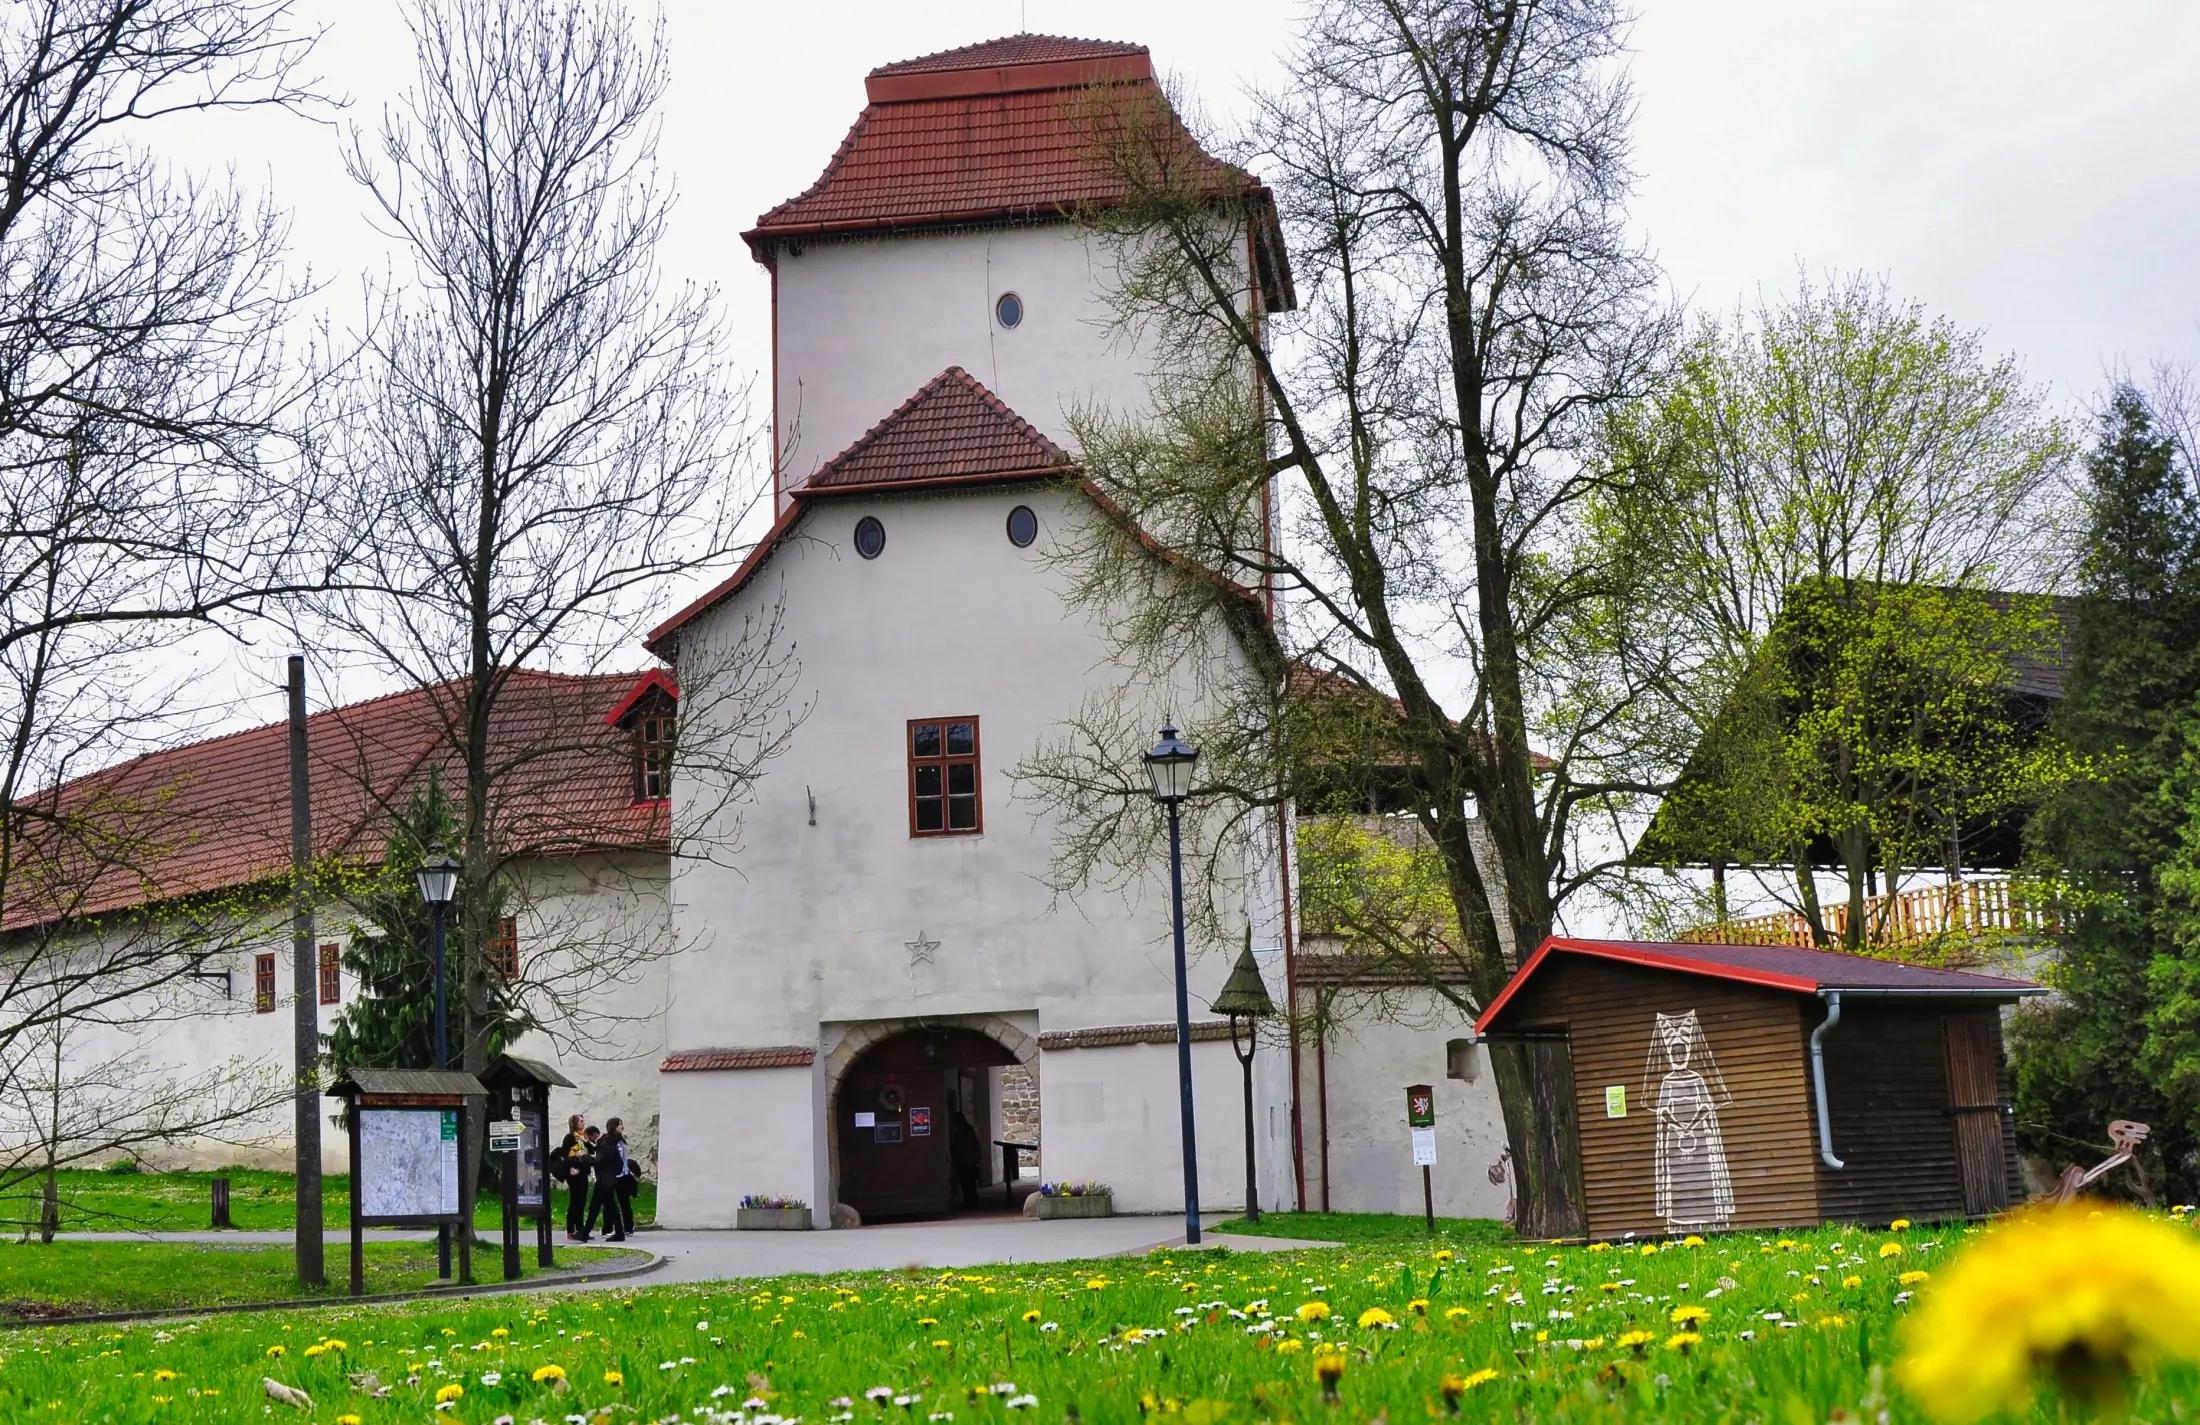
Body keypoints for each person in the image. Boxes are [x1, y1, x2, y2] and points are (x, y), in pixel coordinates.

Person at [584, 1118, 635, 1242]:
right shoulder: (610, 1141)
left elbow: (599, 1161)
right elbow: (604, 1155)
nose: (622, 1127)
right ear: (614, 1127)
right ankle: (586, 1233)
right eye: (620, 1125)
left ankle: (618, 1233)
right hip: (608, 1178)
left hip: (606, 1179)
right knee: (604, 1206)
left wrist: (584, 1157)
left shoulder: (609, 1143)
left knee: (603, 1206)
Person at [556, 1114, 591, 1242]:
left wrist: (588, 1141)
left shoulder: (583, 1137)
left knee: (581, 1202)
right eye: (581, 1121)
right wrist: (570, 1167)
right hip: (574, 1173)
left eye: (583, 1121)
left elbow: (590, 1151)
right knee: (575, 1201)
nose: (583, 1123)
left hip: (583, 1172)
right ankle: (571, 1230)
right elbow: (564, 1155)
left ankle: (580, 1230)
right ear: (574, 1124)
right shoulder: (570, 1137)